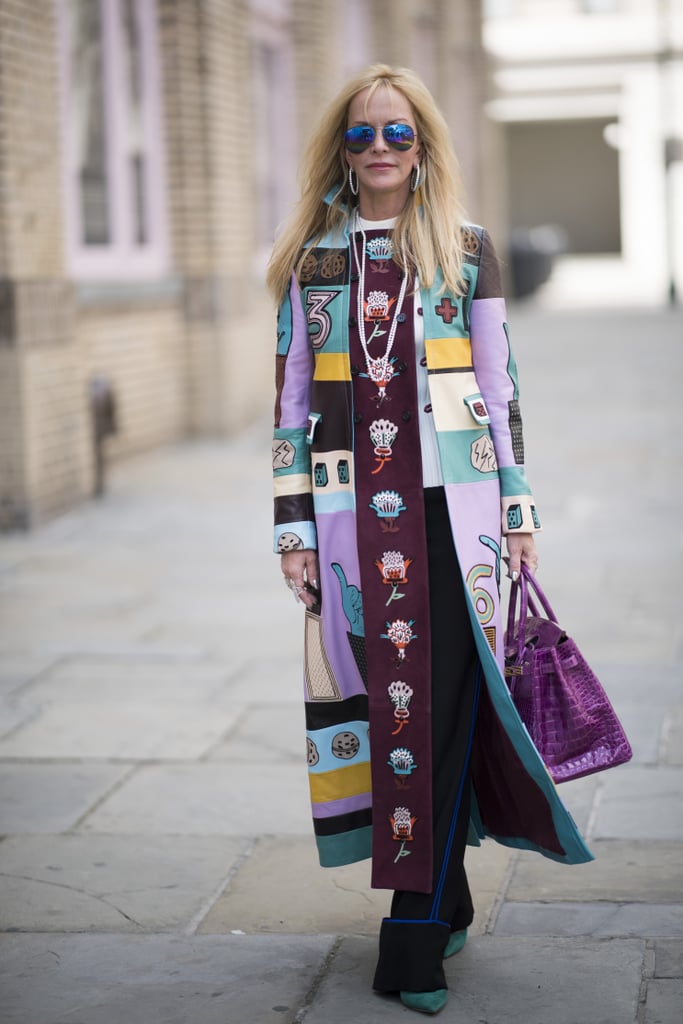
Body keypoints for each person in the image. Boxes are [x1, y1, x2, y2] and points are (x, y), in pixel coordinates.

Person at [267, 64, 592, 1015]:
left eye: (398, 134)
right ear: (341, 147)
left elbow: (500, 389)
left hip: (457, 522)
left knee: (437, 711)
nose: (379, 150)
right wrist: (289, 527)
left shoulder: (466, 250)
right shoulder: (311, 259)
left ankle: (411, 932)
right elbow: (290, 405)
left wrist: (521, 513)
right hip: (346, 522)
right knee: (387, 710)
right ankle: (443, 891)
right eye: (362, 134)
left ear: (423, 147)